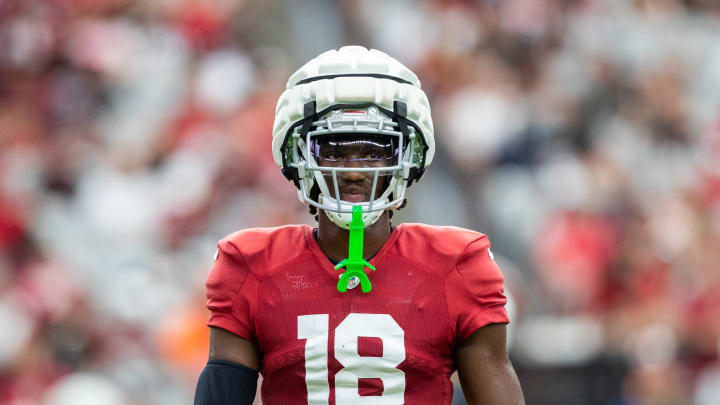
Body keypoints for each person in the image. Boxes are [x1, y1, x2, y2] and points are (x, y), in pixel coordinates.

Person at [194, 46, 525, 405]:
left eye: (371, 153)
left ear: (406, 160)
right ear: (300, 159)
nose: (353, 171)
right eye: (334, 153)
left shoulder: (458, 264)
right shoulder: (250, 264)